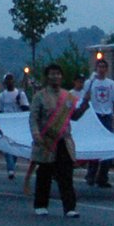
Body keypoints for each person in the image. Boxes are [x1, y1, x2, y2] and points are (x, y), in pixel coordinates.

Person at [29, 63, 87, 217]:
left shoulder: (67, 96)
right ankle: (41, 205)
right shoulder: (39, 96)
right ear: (47, 76)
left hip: (64, 141)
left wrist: (86, 104)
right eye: (52, 74)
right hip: (46, 140)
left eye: (58, 74)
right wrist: (35, 134)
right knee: (45, 173)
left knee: (66, 175)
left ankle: (70, 208)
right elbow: (33, 118)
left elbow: (74, 116)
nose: (55, 76)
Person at [79, 57, 114, 188]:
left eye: (103, 67)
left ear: (107, 69)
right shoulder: (91, 82)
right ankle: (91, 175)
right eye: (99, 67)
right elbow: (85, 97)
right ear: (96, 68)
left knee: (107, 148)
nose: (101, 70)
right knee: (95, 146)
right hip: (95, 115)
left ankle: (103, 176)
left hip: (107, 115)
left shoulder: (111, 84)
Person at [0, 73, 28, 180]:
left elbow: (26, 109)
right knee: (7, 147)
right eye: (7, 80)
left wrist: (20, 104)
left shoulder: (20, 94)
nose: (9, 82)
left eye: (11, 80)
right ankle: (10, 169)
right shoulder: (2, 96)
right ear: (4, 83)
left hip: (17, 124)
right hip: (6, 124)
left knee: (14, 146)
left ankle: (11, 165)